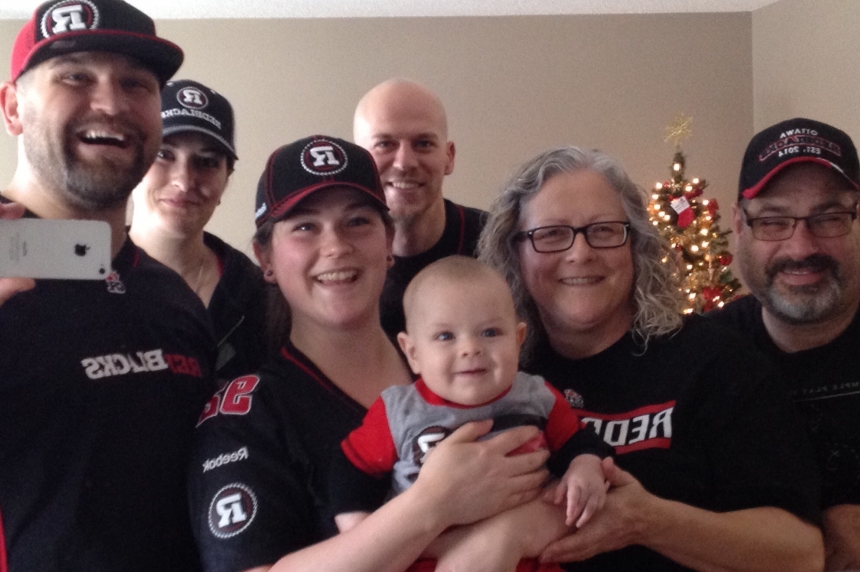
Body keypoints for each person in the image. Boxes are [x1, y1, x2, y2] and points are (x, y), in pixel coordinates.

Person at [188, 135, 549, 572]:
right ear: (264, 256)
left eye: (358, 221)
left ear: (388, 240)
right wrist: (429, 506)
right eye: (305, 226)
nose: (336, 245)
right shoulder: (247, 415)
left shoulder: (464, 356)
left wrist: (508, 534)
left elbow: (566, 484)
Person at [477, 145, 824, 571]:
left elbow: (802, 554)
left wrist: (649, 522)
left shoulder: (716, 363)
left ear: (636, 246)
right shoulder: (491, 373)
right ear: (514, 252)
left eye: (603, 231)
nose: (580, 253)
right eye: (550, 234)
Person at [0, 0, 216, 571]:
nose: (112, 103)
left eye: (136, 83)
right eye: (75, 75)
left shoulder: (171, 298)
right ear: (12, 106)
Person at [331, 255, 613, 572]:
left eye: (490, 332)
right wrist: (359, 531)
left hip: (530, 556)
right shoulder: (398, 412)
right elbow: (350, 472)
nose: (470, 348)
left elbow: (581, 441)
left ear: (518, 340)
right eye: (445, 336)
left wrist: (584, 466)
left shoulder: (537, 397)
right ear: (413, 352)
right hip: (429, 559)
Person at [707, 117, 860, 569]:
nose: (800, 247)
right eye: (773, 221)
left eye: (829, 217)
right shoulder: (703, 355)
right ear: (739, 224)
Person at [130, 79, 267, 383]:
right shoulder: (83, 277)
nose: (184, 180)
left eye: (206, 162)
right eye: (163, 154)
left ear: (226, 180)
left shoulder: (258, 296)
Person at [353, 79, 486, 336]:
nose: (404, 163)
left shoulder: (499, 247)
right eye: (384, 144)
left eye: (423, 143)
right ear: (359, 160)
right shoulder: (339, 259)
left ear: (449, 157)